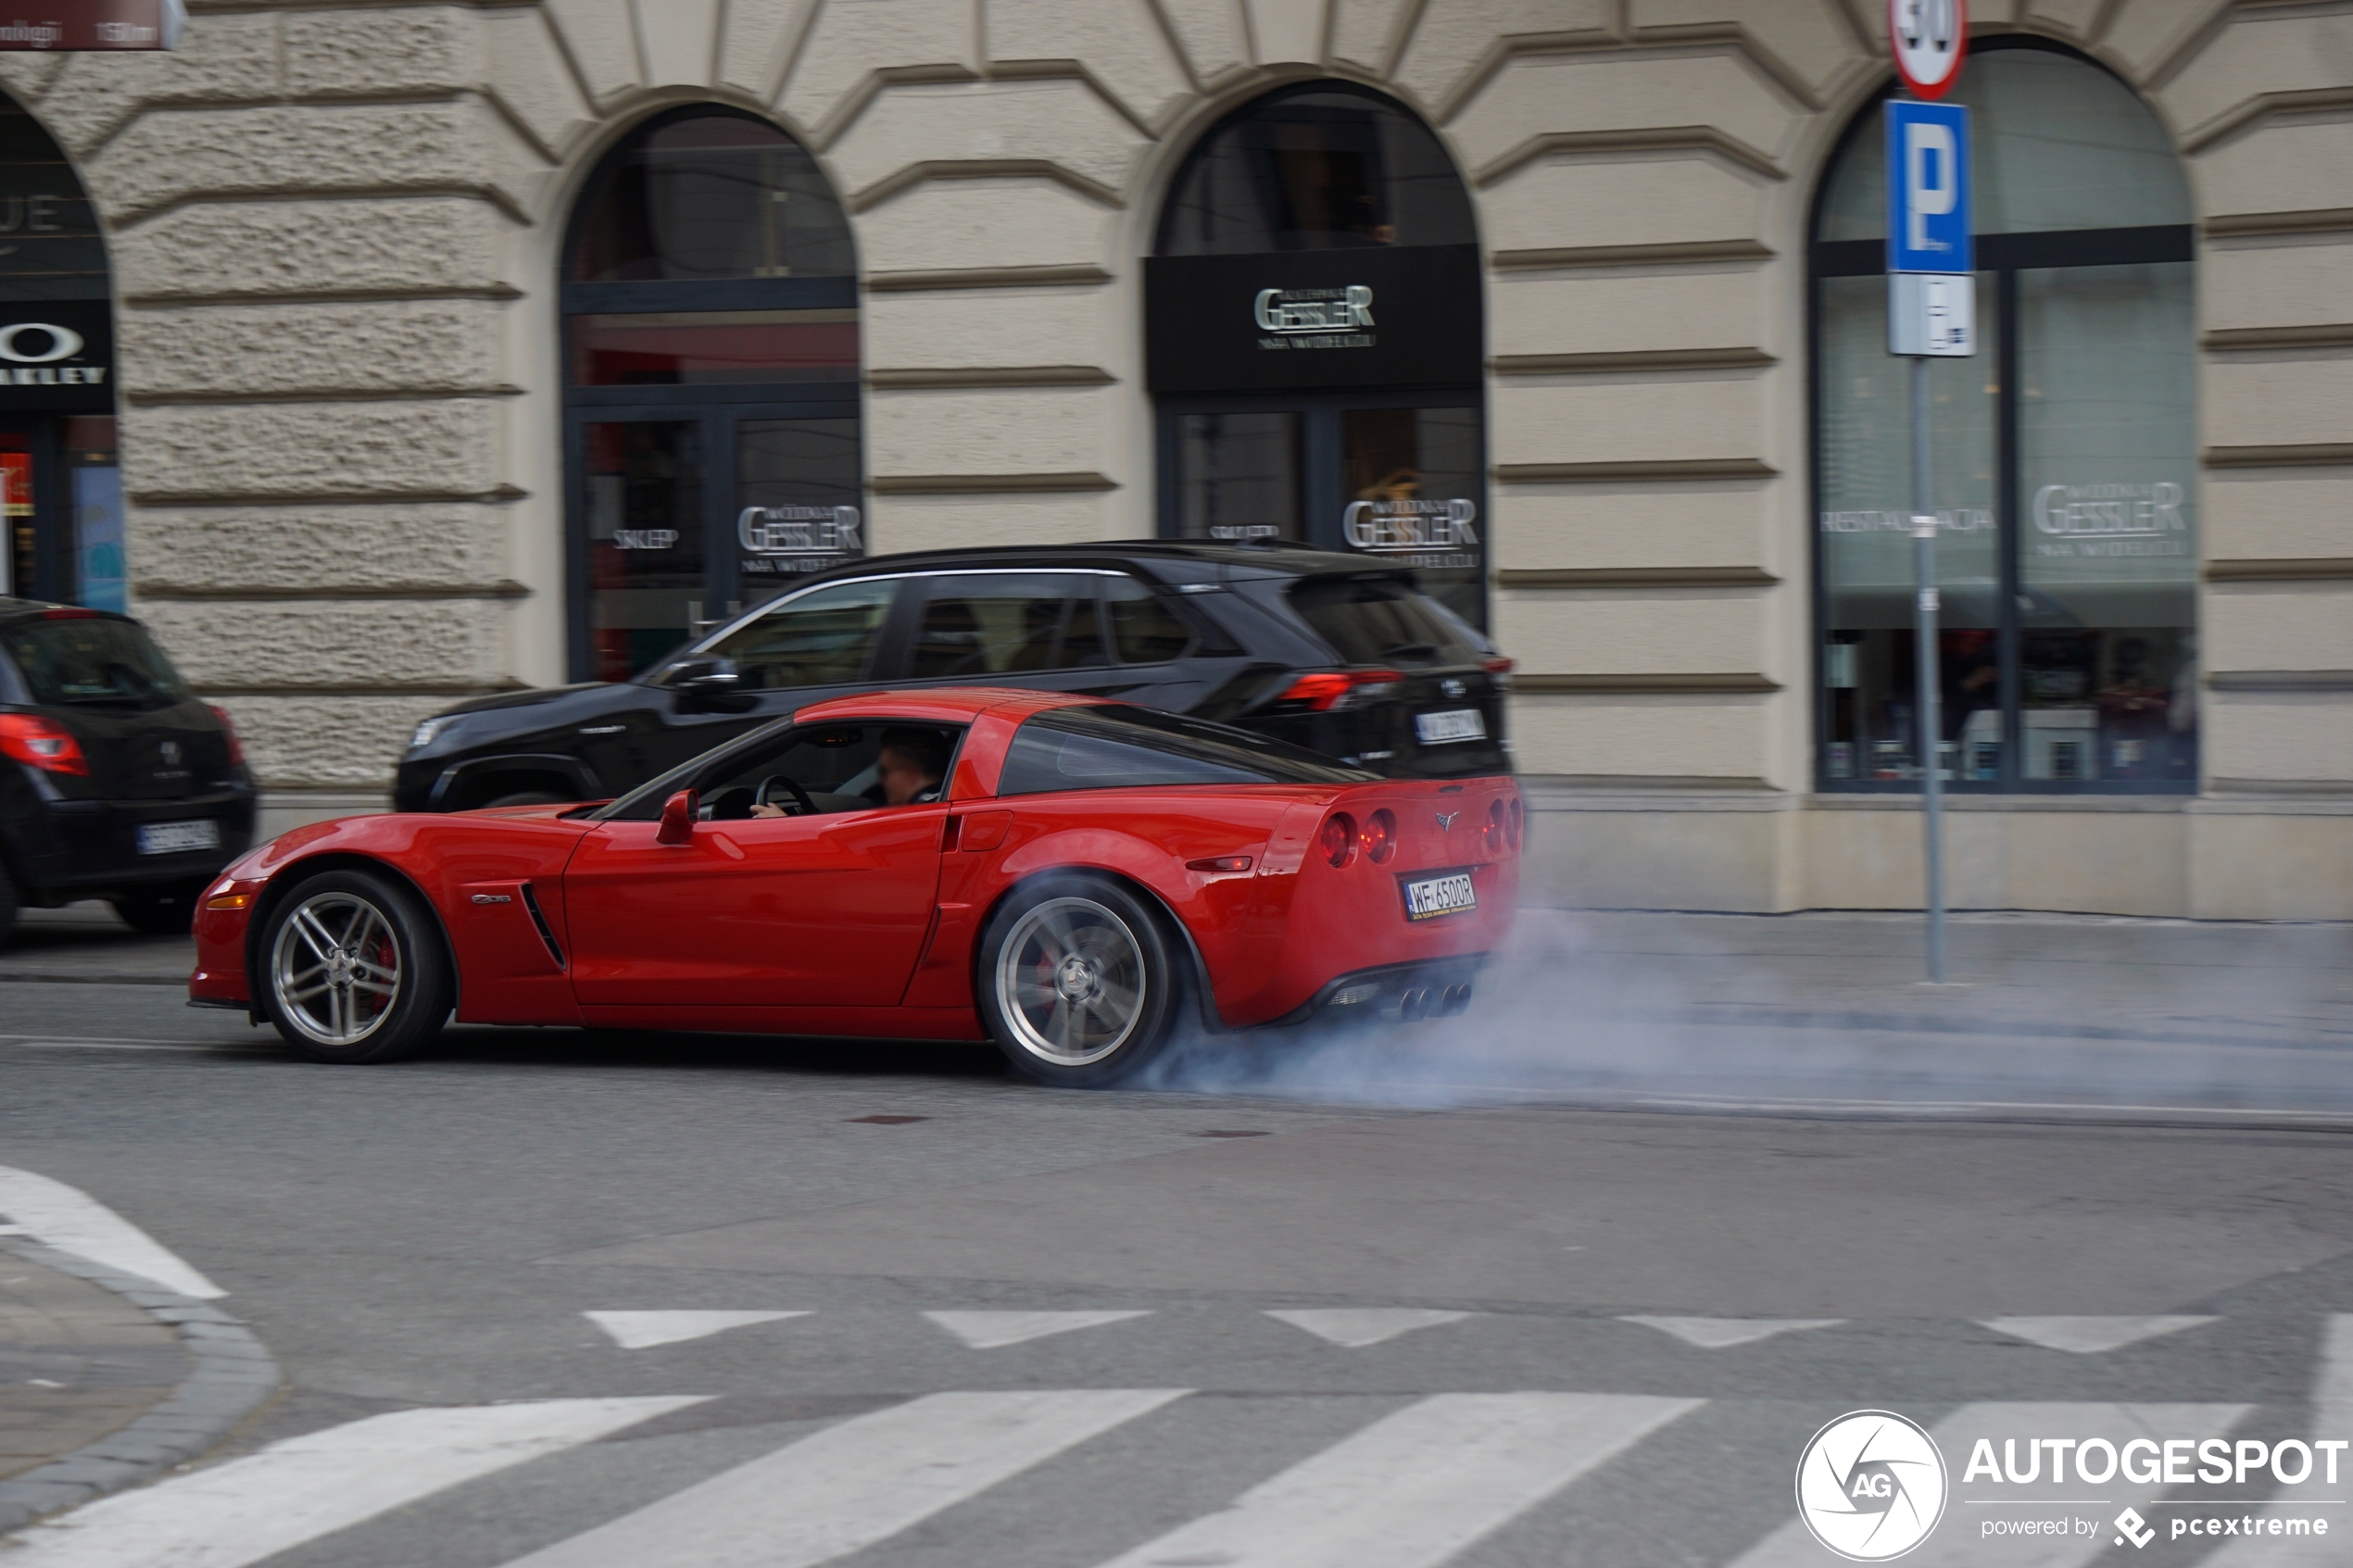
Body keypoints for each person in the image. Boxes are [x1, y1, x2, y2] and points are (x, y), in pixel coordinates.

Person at [749, 727, 948, 817]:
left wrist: (785, 829)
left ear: (909, 774)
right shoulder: (940, 803)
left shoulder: (916, 820)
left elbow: (852, 860)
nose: (882, 781)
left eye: (885, 771)